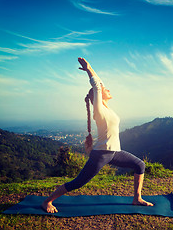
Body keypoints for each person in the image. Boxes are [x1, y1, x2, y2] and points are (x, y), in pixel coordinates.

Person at [42, 57, 153, 213]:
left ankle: (137, 198)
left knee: (140, 165)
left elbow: (99, 85)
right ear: (98, 97)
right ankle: (47, 201)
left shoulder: (107, 109)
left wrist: (92, 68)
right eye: (105, 89)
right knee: (78, 182)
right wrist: (88, 70)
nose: (107, 89)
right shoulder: (99, 111)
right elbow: (97, 87)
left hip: (114, 152)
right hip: (101, 154)